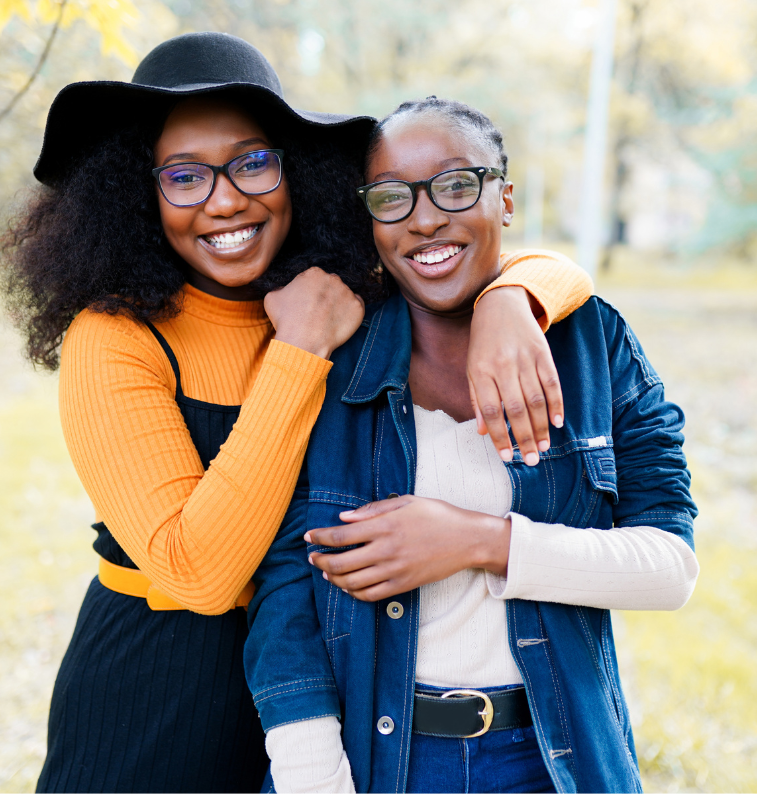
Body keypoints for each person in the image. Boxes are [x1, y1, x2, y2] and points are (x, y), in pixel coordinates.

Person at [0, 34, 595, 793]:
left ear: (295, 172)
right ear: (136, 194)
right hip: (156, 690)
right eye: (183, 177)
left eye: (252, 162)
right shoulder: (116, 338)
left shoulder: (346, 290)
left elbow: (488, 250)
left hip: (334, 683)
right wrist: (301, 347)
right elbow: (201, 576)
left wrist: (517, 298)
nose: (224, 199)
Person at [245, 96, 700, 793]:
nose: (425, 218)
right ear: (369, 220)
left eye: (456, 185)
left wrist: (479, 541)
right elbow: (283, 586)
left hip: (554, 757)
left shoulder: (592, 344)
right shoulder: (333, 358)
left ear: (503, 198)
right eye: (391, 198)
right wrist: (312, 775)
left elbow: (669, 567)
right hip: (377, 760)